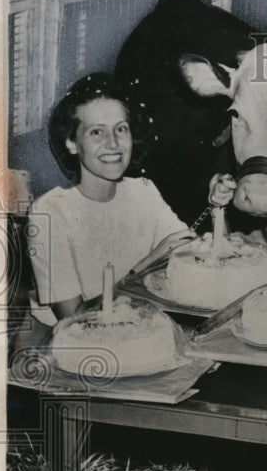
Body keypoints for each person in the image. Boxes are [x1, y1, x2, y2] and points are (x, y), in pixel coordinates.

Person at [27, 73, 199, 324]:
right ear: (72, 143)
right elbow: (74, 319)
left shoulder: (143, 190)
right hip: (75, 345)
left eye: (121, 129)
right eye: (97, 132)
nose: (114, 143)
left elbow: (186, 249)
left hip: (138, 328)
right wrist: (147, 264)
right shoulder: (49, 212)